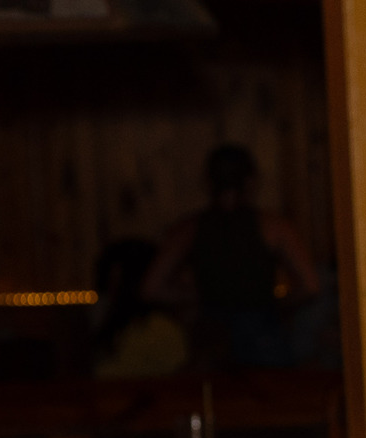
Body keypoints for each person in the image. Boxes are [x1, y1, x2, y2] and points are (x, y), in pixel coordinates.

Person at [146, 143, 329, 367]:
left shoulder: (189, 230)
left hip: (212, 334)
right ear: (251, 181)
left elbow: (153, 288)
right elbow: (310, 286)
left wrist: (201, 296)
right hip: (258, 333)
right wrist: (275, 304)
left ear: (208, 181)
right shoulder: (273, 228)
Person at [88, 238, 189, 378]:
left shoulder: (159, 329)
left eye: (118, 281)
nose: (110, 292)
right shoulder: (117, 327)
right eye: (107, 281)